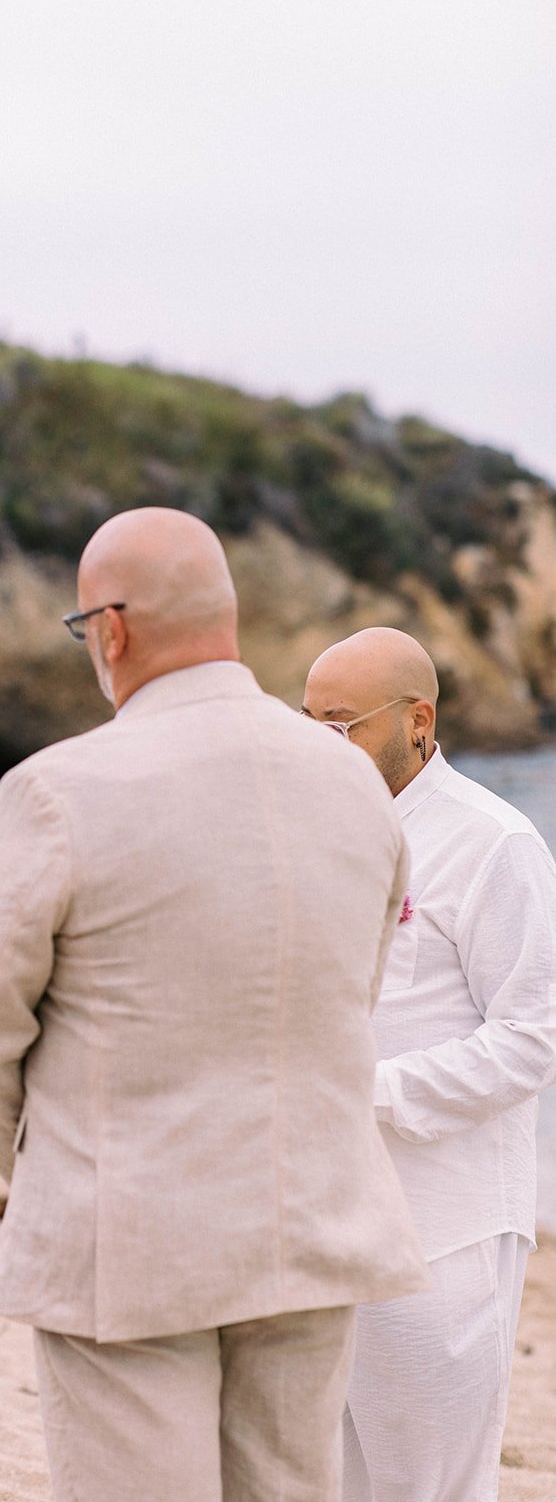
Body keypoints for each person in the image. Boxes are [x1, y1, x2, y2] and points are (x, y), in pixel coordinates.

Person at [0, 507, 428, 1502]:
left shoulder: (55, 789)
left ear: (111, 629)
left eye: (84, 630)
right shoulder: (354, 784)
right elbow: (351, 994)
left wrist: (43, 1164)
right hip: (312, 1222)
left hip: (128, 1235)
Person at [303, 627, 556, 1502]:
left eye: (343, 724)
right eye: (308, 724)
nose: (321, 746)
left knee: (429, 1485)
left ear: (418, 721)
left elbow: (529, 1040)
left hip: (438, 1227)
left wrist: (360, 1094)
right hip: (311, 1213)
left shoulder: (496, 844)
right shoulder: (306, 835)